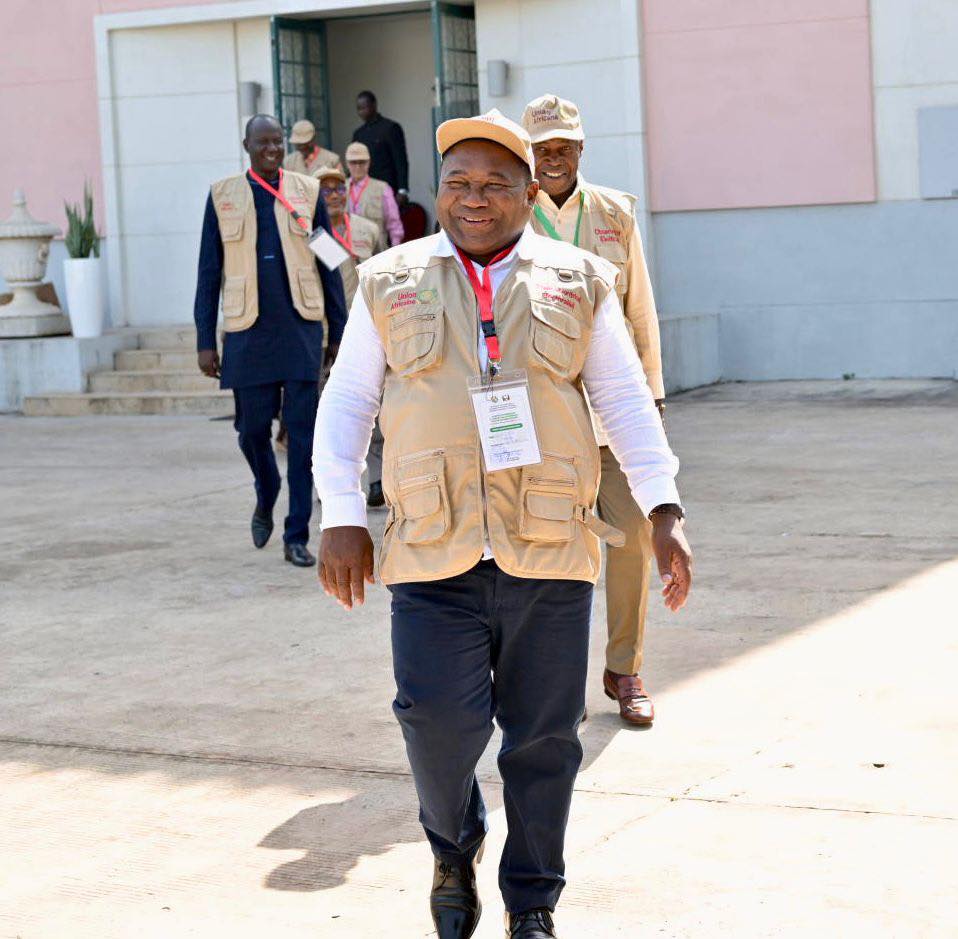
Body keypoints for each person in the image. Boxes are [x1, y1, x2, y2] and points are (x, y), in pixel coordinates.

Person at [313, 109, 692, 939]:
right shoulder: (388, 278)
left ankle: (533, 903)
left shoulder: (580, 277)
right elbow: (347, 404)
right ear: (438, 192)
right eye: (458, 183)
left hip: (550, 545)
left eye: (494, 184)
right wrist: (341, 515)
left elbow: (624, 401)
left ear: (530, 192)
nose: (474, 199)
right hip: (429, 545)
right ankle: (454, 849)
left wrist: (663, 505)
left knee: (544, 740)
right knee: (435, 720)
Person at [522, 93, 665, 726]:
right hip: (542, 409)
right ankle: (556, 682)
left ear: (580, 149)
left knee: (633, 532)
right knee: (549, 543)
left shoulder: (614, 214)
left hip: (611, 408)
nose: (553, 160)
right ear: (528, 154)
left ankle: (624, 667)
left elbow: (641, 311)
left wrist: (653, 397)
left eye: (564, 147)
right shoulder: (508, 211)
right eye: (542, 149)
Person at [193, 114, 347, 568]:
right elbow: (208, 272)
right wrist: (206, 338)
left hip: (300, 329)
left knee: (303, 439)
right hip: (247, 332)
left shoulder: (307, 191)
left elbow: (330, 261)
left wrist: (338, 331)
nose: (272, 150)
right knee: (251, 432)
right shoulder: (222, 196)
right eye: (263, 142)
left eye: (277, 142)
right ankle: (266, 489)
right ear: (246, 145)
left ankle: (296, 533)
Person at [317, 165, 387, 508]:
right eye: (325, 190)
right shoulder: (311, 236)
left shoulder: (367, 229)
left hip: (369, 329)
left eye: (338, 188)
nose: (333, 195)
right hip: (327, 333)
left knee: (376, 408)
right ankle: (327, 484)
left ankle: (377, 480)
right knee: (329, 410)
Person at [352, 90, 409, 205]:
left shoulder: (391, 128)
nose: (361, 112)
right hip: (364, 190)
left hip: (387, 188)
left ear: (374, 105)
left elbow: (401, 160)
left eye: (364, 107)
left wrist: (402, 190)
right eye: (359, 109)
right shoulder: (358, 134)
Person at [345, 142, 404, 251]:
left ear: (368, 163)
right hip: (347, 252)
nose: (358, 167)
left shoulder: (382, 188)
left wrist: (395, 252)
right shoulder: (340, 189)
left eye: (362, 162)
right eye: (353, 162)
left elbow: (394, 225)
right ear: (347, 164)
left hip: (376, 253)